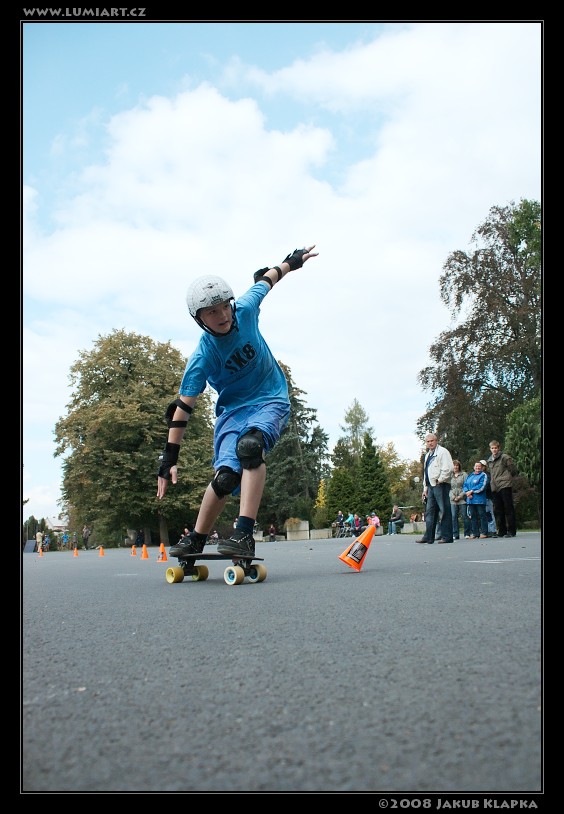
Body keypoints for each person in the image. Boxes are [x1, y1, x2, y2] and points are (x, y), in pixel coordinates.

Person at [157, 245, 319, 559]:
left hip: (270, 399)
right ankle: (196, 539)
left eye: (224, 307)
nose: (222, 316)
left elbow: (267, 281)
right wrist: (168, 459)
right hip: (232, 413)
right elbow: (182, 409)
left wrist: (292, 261)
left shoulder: (244, 309)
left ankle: (244, 534)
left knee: (250, 448)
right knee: (226, 477)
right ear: (199, 319)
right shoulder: (202, 357)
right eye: (212, 312)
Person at [416, 433, 454, 544]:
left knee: (444, 510)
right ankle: (428, 536)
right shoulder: (428, 455)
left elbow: (448, 468)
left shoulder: (443, 452)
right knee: (430, 512)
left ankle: (447, 536)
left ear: (436, 441)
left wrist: (440, 480)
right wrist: (425, 488)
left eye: (432, 441)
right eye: (428, 441)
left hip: (441, 484)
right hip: (431, 486)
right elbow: (426, 473)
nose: (430, 443)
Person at [487, 441, 518, 538]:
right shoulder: (489, 460)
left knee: (508, 508)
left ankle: (511, 531)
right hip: (494, 486)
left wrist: (507, 478)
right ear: (490, 449)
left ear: (498, 448)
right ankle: (502, 530)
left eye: (495, 448)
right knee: (498, 509)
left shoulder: (505, 457)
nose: (494, 450)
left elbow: (513, 470)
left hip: (505, 485)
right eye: (492, 448)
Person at [462, 462, 489, 539]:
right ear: (474, 467)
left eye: (479, 466)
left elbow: (482, 486)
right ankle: (475, 533)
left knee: (482, 515)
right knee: (473, 516)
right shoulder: (470, 475)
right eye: (476, 466)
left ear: (482, 467)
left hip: (479, 499)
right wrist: (467, 492)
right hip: (470, 500)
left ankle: (484, 532)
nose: (477, 468)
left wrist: (472, 491)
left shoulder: (483, 475)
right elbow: (465, 485)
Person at [450, 460, 471, 540]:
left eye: (457, 465)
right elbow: (448, 488)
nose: (455, 467)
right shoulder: (449, 475)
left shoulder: (464, 475)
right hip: (452, 499)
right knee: (453, 517)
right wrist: (453, 497)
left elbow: (466, 486)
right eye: (454, 465)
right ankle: (455, 534)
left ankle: (467, 533)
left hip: (462, 498)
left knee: (464, 516)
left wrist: (460, 496)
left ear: (459, 466)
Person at [479, 459, 498, 537]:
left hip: (487, 497)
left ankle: (493, 530)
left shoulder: (487, 475)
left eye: (482, 466)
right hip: (479, 498)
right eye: (480, 466)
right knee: (483, 515)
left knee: (489, 513)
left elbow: (486, 486)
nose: (481, 467)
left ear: (485, 467)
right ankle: (485, 530)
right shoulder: (476, 475)